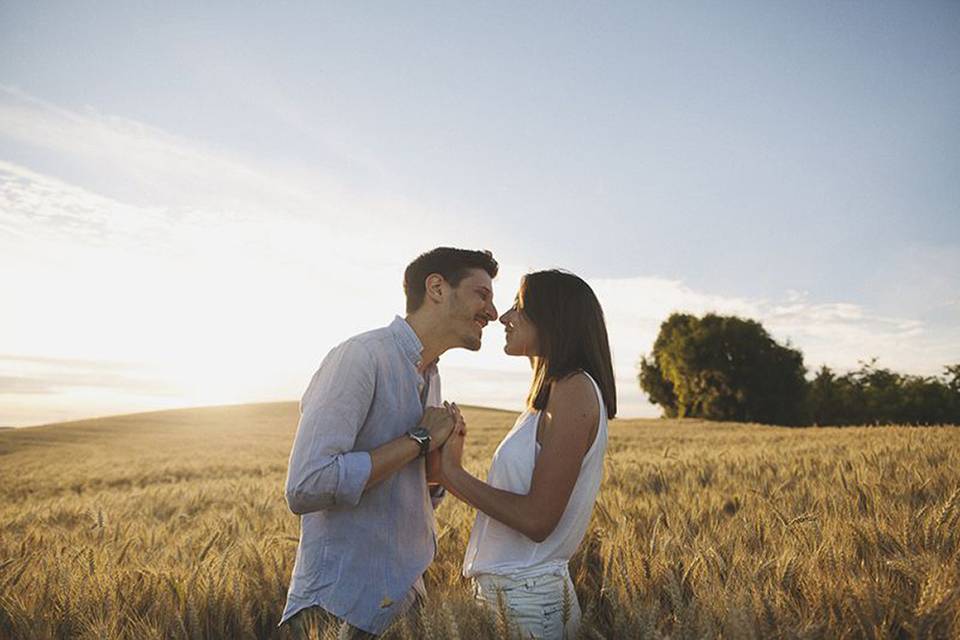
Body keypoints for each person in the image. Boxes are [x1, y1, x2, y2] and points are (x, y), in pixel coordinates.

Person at [280, 247, 499, 638]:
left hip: (404, 604)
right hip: (339, 608)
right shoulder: (360, 357)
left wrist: (442, 463)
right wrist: (417, 440)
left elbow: (406, 495)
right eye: (482, 294)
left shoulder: (432, 378)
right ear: (436, 288)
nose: (493, 312)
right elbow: (306, 485)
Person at [438, 269, 617, 640]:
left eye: (519, 306)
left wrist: (450, 473)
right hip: (517, 598)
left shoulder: (574, 390)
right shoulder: (551, 396)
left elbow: (538, 520)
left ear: (554, 318)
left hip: (527, 603)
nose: (504, 317)